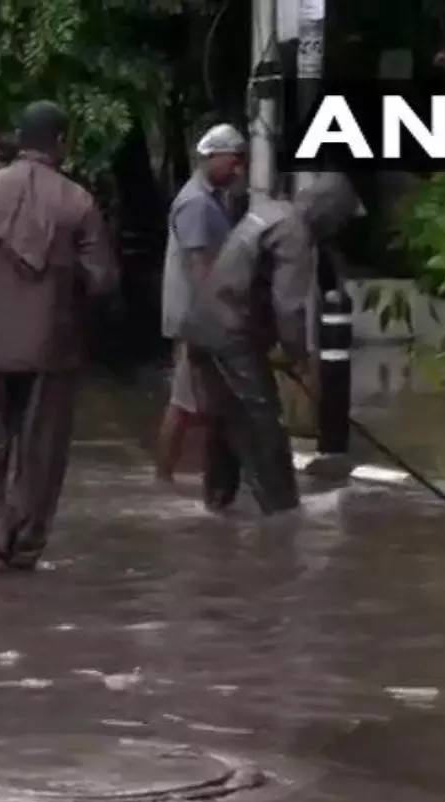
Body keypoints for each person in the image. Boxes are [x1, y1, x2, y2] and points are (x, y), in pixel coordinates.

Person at [0, 101, 118, 573]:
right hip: (53, 349)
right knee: (42, 452)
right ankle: (24, 548)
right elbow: (102, 283)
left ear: (20, 139)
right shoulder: (78, 202)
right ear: (61, 142)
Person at [183, 171, 361, 515]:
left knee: (225, 419)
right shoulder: (296, 233)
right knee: (265, 423)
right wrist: (302, 363)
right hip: (231, 334)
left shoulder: (270, 211)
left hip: (204, 326)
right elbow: (288, 308)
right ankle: (282, 510)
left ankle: (216, 504)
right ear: (329, 214)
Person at [156, 124, 247, 481]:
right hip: (197, 320)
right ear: (211, 157)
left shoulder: (209, 199)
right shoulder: (196, 203)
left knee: (199, 402)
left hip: (198, 318)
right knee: (186, 402)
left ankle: (192, 479)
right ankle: (167, 478)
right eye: (233, 161)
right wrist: (222, 319)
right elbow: (200, 270)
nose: (238, 169)